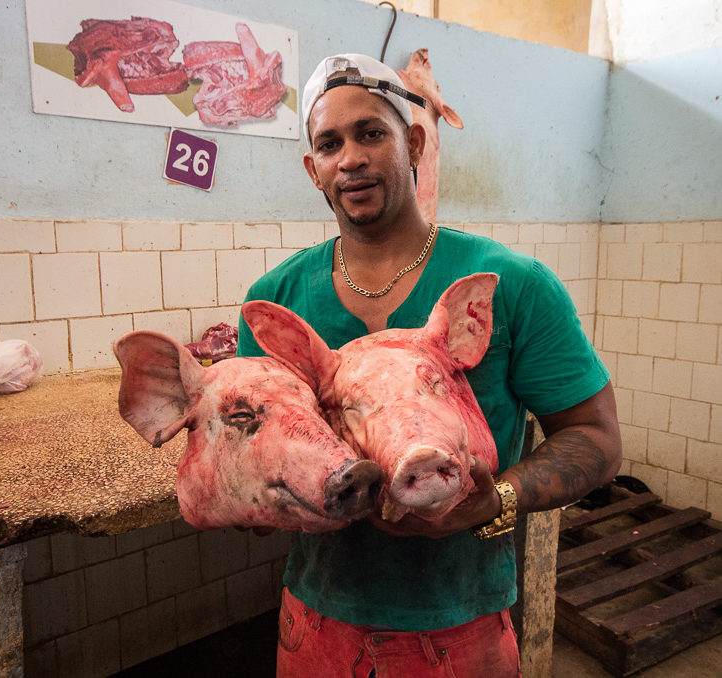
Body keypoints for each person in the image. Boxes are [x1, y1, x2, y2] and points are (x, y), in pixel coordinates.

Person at [236, 53, 622, 678]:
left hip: (461, 628)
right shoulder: (275, 303)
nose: (351, 159)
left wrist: (494, 500)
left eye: (371, 133)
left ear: (413, 141)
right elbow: (254, 455)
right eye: (329, 144)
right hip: (315, 624)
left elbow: (597, 441)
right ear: (314, 170)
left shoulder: (512, 286)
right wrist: (254, 490)